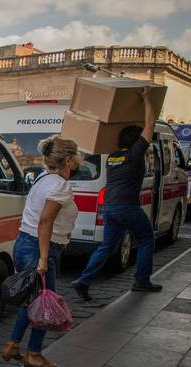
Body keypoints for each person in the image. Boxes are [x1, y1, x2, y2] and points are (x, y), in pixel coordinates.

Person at [71, 86, 160, 301]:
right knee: (147, 238)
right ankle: (141, 281)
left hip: (110, 207)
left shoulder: (112, 157)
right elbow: (150, 124)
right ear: (136, 141)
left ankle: (84, 281)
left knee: (107, 245)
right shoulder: (134, 154)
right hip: (127, 206)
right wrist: (147, 99)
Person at [1, 135, 80, 367]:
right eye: (76, 157)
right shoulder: (60, 185)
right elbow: (45, 223)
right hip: (38, 249)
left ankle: (13, 345)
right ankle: (33, 353)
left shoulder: (44, 178)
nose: (79, 161)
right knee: (45, 305)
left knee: (33, 300)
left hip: (26, 244)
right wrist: (44, 260)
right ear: (68, 160)